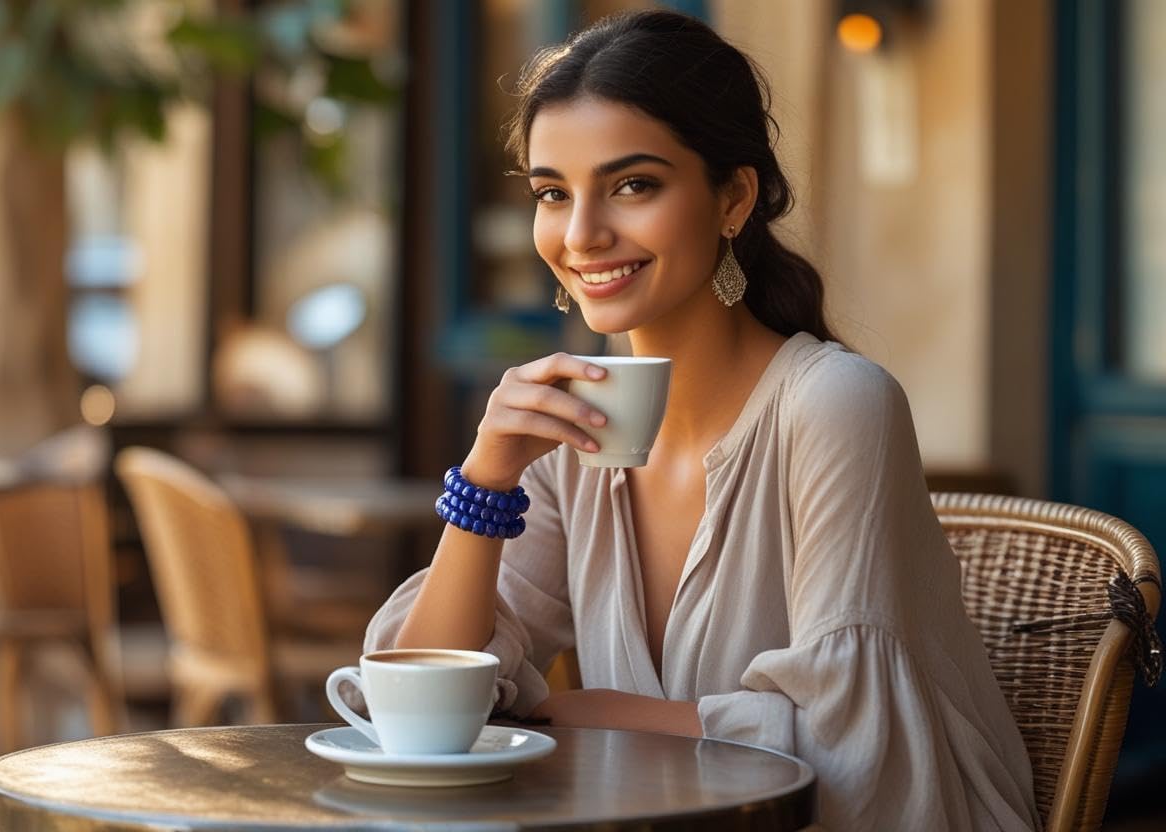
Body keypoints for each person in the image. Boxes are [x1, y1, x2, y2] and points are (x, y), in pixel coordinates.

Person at [363, 9, 1038, 830]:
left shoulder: (834, 404)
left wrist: (599, 711)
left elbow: (851, 748)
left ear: (734, 197)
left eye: (632, 185)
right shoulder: (577, 430)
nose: (581, 234)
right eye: (552, 193)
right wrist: (486, 481)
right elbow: (415, 710)